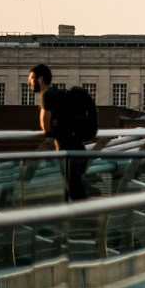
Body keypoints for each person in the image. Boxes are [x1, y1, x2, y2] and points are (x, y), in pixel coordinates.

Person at [31, 63, 96, 201]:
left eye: (31, 78)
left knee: (77, 195)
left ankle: (88, 220)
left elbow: (45, 125)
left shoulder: (47, 94)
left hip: (68, 152)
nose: (29, 82)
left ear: (40, 79)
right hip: (80, 149)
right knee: (74, 193)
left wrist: (52, 127)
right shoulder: (61, 93)